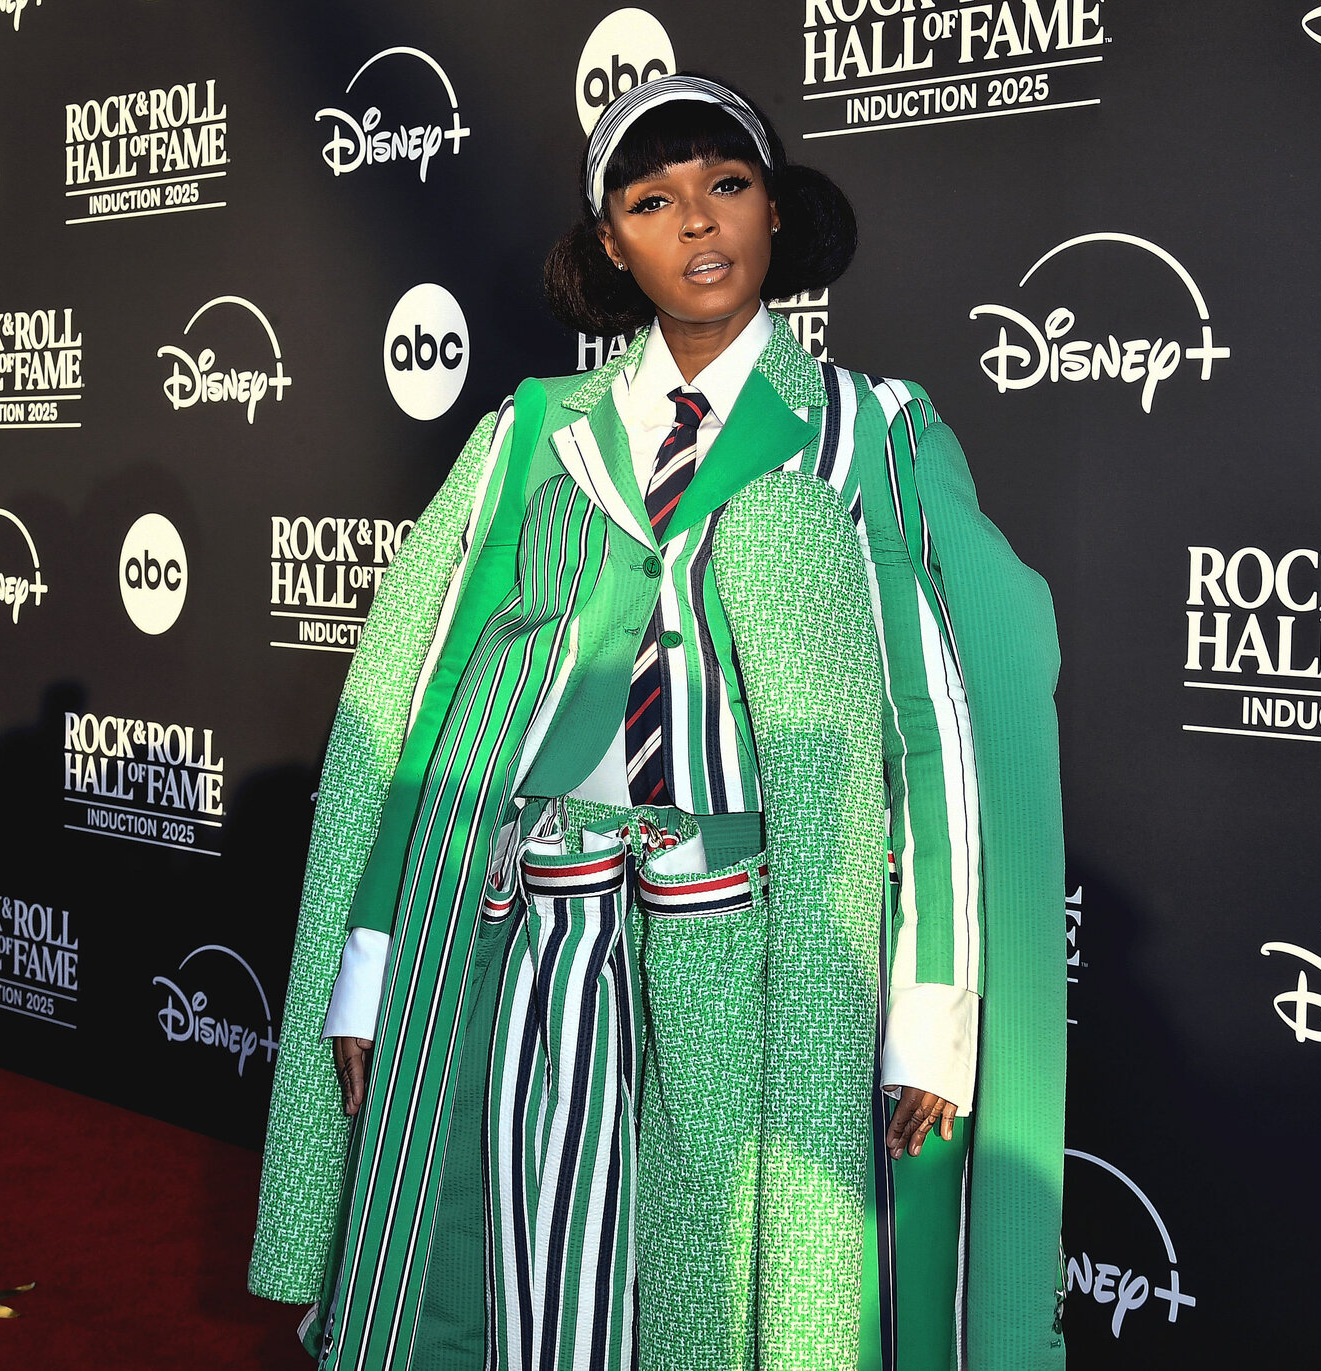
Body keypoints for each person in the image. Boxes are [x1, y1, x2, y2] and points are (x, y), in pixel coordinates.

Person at [250, 73, 1066, 1371]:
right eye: (652, 200)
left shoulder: (872, 430)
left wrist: (928, 1008)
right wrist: (374, 963)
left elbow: (938, 722)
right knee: (528, 1254)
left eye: (727, 185)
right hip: (525, 927)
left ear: (778, 213)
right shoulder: (531, 432)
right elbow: (416, 696)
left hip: (752, 945)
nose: (697, 221)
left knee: (718, 1286)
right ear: (610, 246)